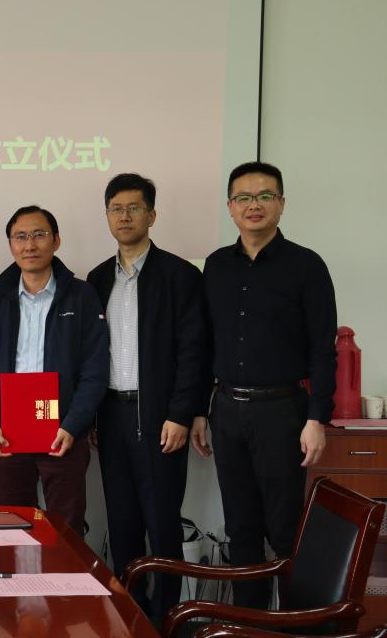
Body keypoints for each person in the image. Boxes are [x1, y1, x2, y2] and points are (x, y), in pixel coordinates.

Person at [196, 161, 336, 608]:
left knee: (286, 530)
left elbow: (323, 348)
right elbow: (204, 343)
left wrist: (316, 418)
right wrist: (199, 410)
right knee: (241, 529)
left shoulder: (306, 265)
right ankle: (249, 623)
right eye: (243, 197)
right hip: (226, 410)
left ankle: (296, 624)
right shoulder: (216, 265)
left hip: (283, 412)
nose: (253, 205)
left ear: (281, 203)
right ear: (230, 207)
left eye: (264, 196)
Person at [86, 174, 209, 622]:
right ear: (107, 216)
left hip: (159, 417)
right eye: (116, 209)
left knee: (162, 525)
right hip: (111, 417)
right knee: (122, 525)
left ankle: (167, 617)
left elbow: (194, 351)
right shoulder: (98, 278)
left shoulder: (179, 275)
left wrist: (181, 413)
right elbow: (91, 354)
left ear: (152, 215)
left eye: (134, 208)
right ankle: (130, 616)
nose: (124, 216)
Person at [0, 205, 108, 535]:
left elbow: (95, 369)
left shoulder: (81, 295)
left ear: (56, 240)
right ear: (11, 245)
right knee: (14, 524)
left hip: (63, 431)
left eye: (39, 235)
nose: (30, 244)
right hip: (10, 429)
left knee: (66, 528)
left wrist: (73, 425)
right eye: (20, 237)